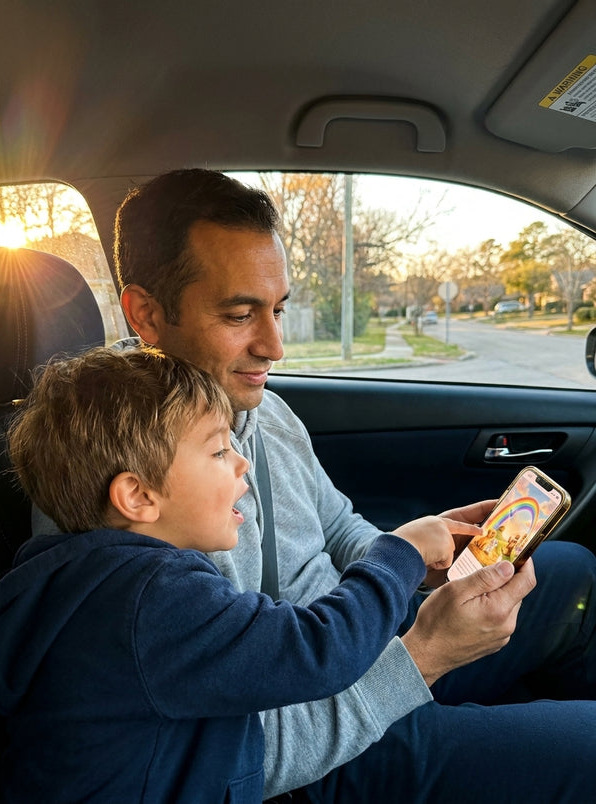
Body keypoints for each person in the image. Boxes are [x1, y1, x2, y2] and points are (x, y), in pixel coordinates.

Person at [114, 168, 595, 802]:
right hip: (315, 742)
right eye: (239, 314)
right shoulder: (130, 491)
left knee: (576, 573)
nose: (275, 346)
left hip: (357, 635)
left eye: (278, 310)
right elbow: (249, 749)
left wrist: (416, 563)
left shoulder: (263, 410)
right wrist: (426, 655)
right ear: (147, 314)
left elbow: (337, 526)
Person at [0, 347, 475, 803]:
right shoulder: (151, 598)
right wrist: (400, 553)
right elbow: (319, 649)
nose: (242, 461)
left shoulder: (65, 579)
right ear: (138, 497)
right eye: (219, 452)